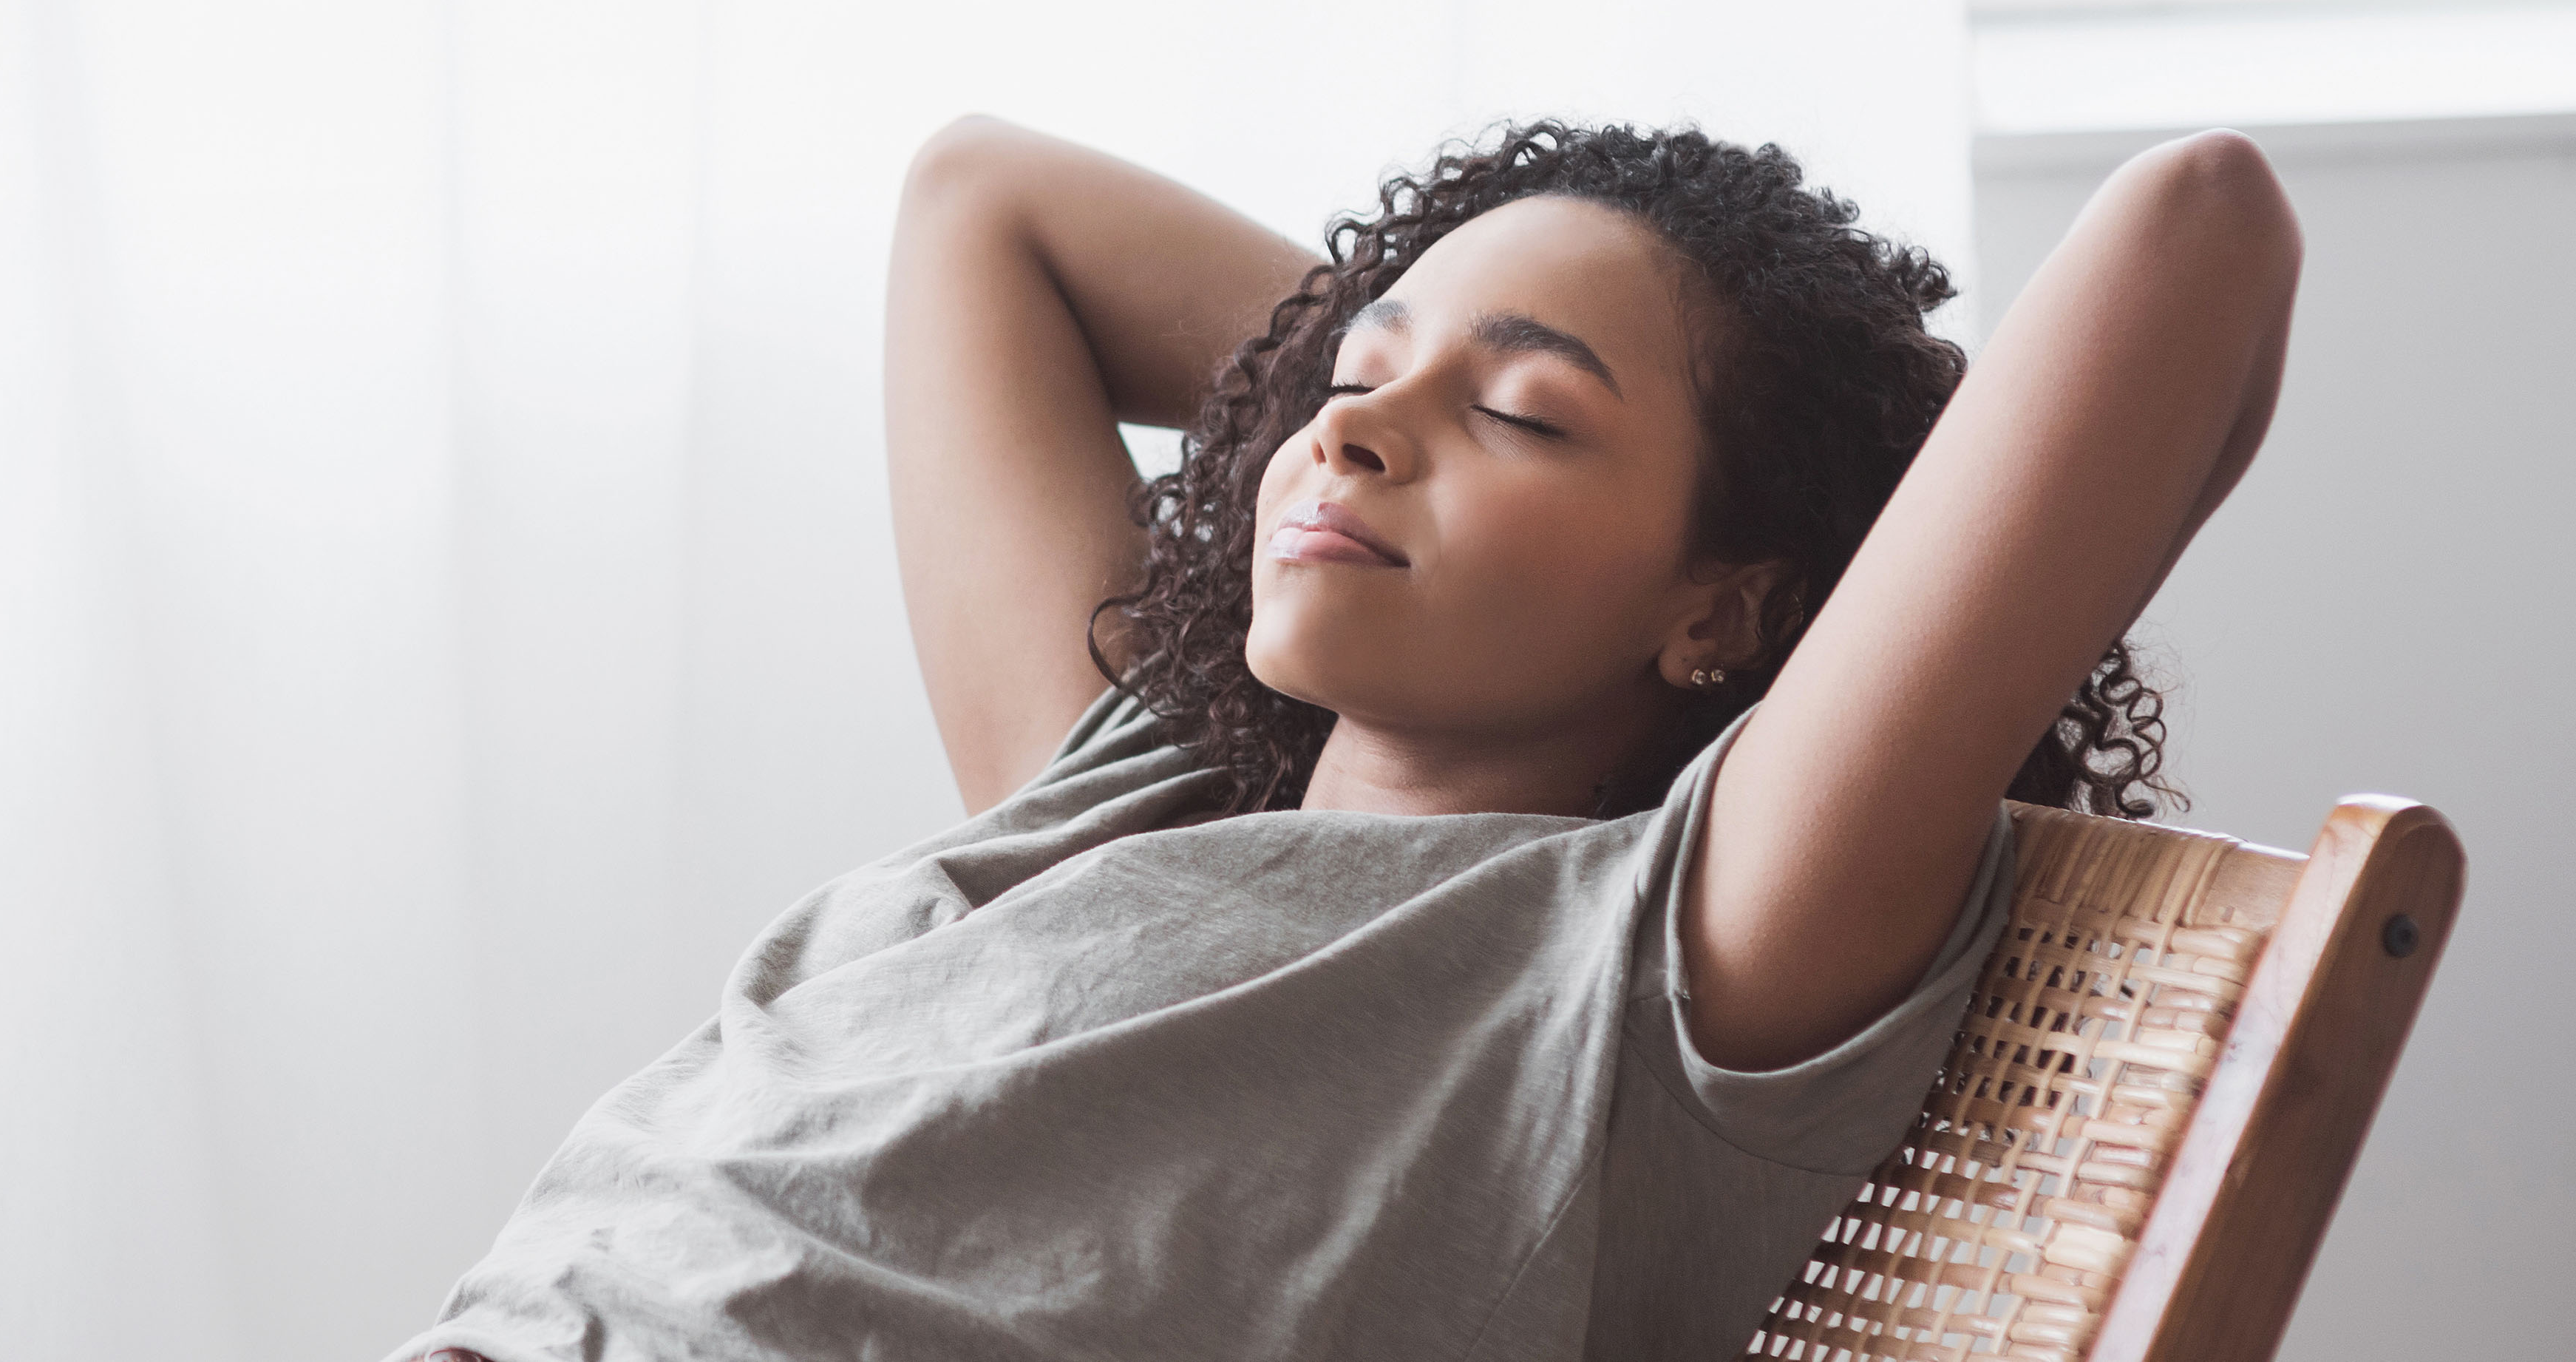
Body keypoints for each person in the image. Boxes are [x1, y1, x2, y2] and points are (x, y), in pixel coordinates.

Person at [390, 116, 2298, 1361]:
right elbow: (980, 193)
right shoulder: (1119, 784)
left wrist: (1803, 447)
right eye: (1347, 377)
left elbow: (2196, 224)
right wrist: (1462, 378)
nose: (1350, 433)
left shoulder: (1661, 960)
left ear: (1726, 602)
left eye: (1528, 418)